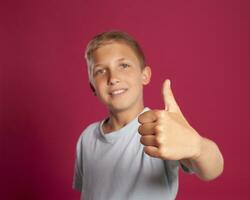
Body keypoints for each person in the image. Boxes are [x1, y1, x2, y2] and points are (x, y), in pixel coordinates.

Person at [72, 31, 224, 200]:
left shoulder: (161, 128)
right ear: (93, 87)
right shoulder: (86, 138)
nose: (113, 78)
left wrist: (198, 147)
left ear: (144, 75)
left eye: (123, 66)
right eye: (100, 71)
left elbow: (212, 169)